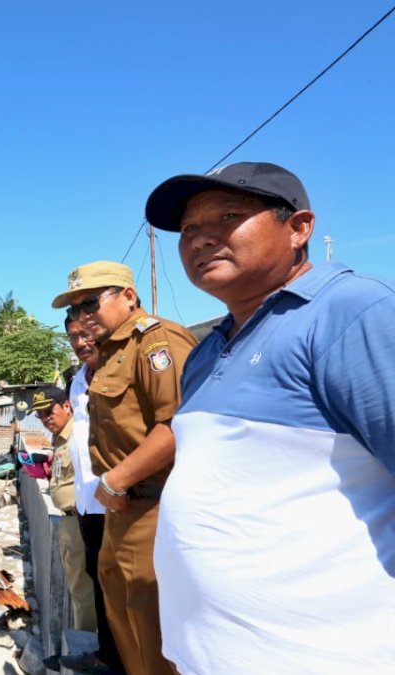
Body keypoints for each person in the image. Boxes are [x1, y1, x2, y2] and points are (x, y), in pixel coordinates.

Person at [145, 161, 395, 673]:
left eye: (229, 216)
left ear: (299, 228)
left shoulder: (352, 312)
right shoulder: (207, 350)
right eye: (189, 228)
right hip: (208, 655)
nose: (201, 239)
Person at [51, 261, 196, 675]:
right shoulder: (111, 355)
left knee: (151, 630)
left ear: (128, 296)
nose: (82, 317)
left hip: (151, 506)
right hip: (119, 509)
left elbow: (177, 425)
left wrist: (115, 480)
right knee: (123, 621)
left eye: (90, 304)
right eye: (73, 312)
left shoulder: (156, 342)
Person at [58, 316, 123, 674]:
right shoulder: (77, 380)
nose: (81, 342)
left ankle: (126, 660)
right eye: (73, 337)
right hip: (87, 502)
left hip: (117, 500)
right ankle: (105, 656)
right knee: (98, 581)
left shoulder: (121, 372)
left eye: (87, 334)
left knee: (124, 589)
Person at [29, 386, 98, 640]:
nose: (46, 419)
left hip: (80, 519)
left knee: (82, 588)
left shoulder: (79, 435)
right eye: (40, 415)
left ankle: (86, 644)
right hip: (68, 520)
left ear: (66, 406)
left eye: (50, 411)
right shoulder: (59, 438)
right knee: (75, 585)